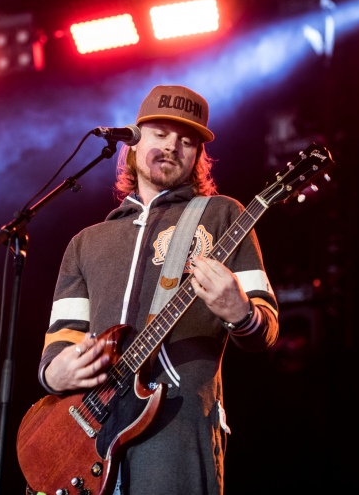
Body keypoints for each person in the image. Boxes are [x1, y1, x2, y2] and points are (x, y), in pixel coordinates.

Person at [38, 85, 279, 494]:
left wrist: (239, 313)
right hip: (87, 443)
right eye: (161, 134)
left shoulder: (223, 215)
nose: (173, 146)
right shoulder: (87, 241)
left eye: (188, 141)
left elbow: (266, 327)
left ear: (199, 156)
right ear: (133, 143)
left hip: (175, 439)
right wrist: (53, 373)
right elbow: (61, 340)